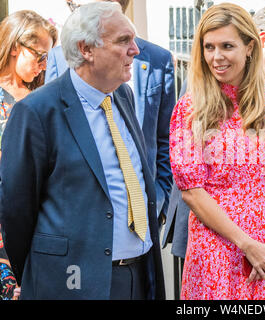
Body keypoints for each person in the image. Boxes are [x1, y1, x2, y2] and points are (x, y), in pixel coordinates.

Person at [0, 2, 164, 300]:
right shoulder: (36, 112)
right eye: (123, 41)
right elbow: (16, 211)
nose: (136, 50)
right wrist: (45, 272)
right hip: (73, 283)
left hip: (139, 276)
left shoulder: (122, 95)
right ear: (86, 49)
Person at [163, 1, 265, 273]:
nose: (217, 56)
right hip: (213, 253)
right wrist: (247, 245)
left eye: (227, 46)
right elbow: (193, 191)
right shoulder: (189, 108)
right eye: (209, 47)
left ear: (250, 47)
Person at [45, 0, 175, 226]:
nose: (132, 50)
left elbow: (166, 138)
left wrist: (159, 200)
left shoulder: (157, 59)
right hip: (81, 221)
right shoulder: (57, 57)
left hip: (143, 216)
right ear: (85, 50)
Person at [0, 10, 57, 300]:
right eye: (39, 55)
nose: (44, 66)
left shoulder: (42, 101)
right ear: (14, 48)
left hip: (33, 224)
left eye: (48, 57)